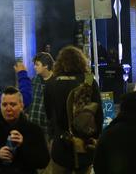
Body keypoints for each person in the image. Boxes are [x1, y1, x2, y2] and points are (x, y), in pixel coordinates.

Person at [44, 46, 102, 174]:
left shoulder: (51, 83)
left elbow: (48, 114)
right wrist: (95, 137)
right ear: (81, 61)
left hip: (60, 146)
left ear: (59, 63)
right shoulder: (89, 80)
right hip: (85, 145)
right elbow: (99, 114)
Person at [0, 86, 50, 174]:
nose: (8, 109)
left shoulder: (34, 130)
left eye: (13, 104)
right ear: (0, 106)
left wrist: (23, 145)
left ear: (21, 106)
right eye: (4, 105)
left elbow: (43, 162)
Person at [27, 52, 54, 140]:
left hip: (48, 130)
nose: (34, 67)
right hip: (33, 127)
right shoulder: (34, 80)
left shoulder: (56, 82)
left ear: (46, 65)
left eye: (37, 65)